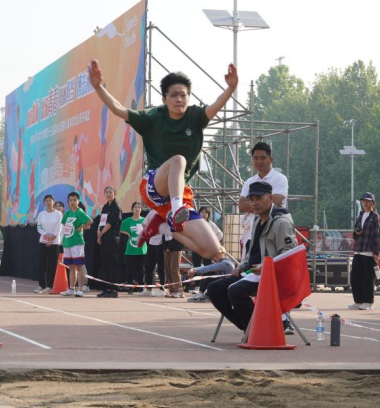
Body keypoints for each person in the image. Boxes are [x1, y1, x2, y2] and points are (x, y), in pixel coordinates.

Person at [89, 60, 236, 259]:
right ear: (164, 98)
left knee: (213, 251)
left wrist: (231, 88)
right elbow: (118, 109)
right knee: (178, 161)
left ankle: (162, 226)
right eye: (173, 95)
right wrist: (98, 87)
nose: (179, 99)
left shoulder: (195, 116)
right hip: (154, 186)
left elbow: (216, 106)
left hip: (179, 194)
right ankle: (175, 213)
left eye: (183, 95)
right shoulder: (152, 118)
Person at [208, 182, 298, 332]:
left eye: (259, 198)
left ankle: (257, 330)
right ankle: (251, 328)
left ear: (270, 198)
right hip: (251, 273)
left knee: (235, 290)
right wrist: (241, 266)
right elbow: (251, 252)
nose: (254, 203)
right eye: (251, 200)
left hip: (271, 276)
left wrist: (266, 267)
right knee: (214, 289)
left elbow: (289, 253)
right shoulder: (256, 221)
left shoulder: (281, 222)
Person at [348, 192, 380, 311]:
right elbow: (355, 234)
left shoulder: (375, 216)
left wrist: (376, 253)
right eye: (363, 201)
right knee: (355, 277)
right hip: (358, 250)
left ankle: (368, 302)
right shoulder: (360, 215)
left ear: (373, 203)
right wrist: (356, 233)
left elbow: (377, 235)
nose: (365, 203)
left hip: (369, 251)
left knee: (368, 278)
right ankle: (358, 301)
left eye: (368, 201)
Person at [61, 192, 93, 297]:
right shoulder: (67, 213)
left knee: (79, 266)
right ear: (68, 202)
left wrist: (81, 227)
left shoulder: (80, 212)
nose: (72, 202)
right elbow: (64, 223)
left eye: (74, 200)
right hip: (67, 242)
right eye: (70, 200)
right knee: (71, 267)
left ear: (78, 201)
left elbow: (90, 221)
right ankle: (71, 289)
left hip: (77, 243)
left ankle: (80, 289)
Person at [96, 186, 122, 297]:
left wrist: (101, 233)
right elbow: (101, 222)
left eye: (110, 192)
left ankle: (113, 290)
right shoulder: (105, 206)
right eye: (106, 192)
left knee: (112, 264)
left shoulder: (116, 207)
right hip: (104, 238)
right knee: (105, 264)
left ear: (114, 193)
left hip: (112, 238)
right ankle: (107, 288)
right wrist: (98, 234)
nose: (108, 194)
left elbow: (111, 223)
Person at [190, 207, 223, 290]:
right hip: (197, 248)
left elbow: (220, 234)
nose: (204, 214)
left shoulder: (211, 224)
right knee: (196, 266)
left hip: (207, 249)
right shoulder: (195, 223)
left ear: (208, 214)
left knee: (207, 267)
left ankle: (205, 286)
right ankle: (197, 286)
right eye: (202, 212)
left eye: (206, 212)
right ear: (199, 213)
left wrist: (212, 242)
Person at [35, 195, 62, 293]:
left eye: (50, 200)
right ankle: (42, 285)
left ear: (53, 202)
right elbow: (39, 227)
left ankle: (50, 286)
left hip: (55, 242)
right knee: (42, 264)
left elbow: (59, 227)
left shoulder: (58, 214)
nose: (48, 202)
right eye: (46, 201)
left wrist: (52, 238)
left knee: (53, 264)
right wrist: (46, 236)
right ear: (44, 203)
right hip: (43, 241)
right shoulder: (41, 214)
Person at [120, 202, 147, 294]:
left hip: (142, 249)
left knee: (141, 269)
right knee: (129, 269)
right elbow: (121, 229)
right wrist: (127, 233)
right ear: (132, 209)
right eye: (135, 207)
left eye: (139, 207)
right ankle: (130, 287)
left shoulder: (144, 220)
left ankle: (141, 287)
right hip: (131, 249)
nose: (137, 209)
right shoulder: (127, 221)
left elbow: (149, 230)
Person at [144, 232, 165, 297]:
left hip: (161, 244)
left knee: (161, 267)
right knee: (148, 266)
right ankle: (149, 289)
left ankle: (162, 288)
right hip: (151, 243)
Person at [163, 233, 184, 298]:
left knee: (174, 269)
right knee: (168, 269)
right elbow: (164, 236)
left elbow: (179, 237)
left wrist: (170, 247)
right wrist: (166, 247)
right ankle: (171, 290)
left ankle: (179, 290)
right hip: (166, 248)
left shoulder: (176, 227)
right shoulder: (164, 227)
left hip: (176, 248)